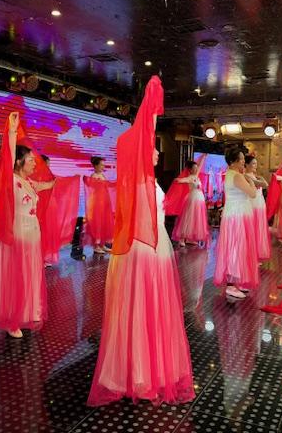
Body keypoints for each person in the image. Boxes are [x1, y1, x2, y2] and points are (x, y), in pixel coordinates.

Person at [88, 76, 194, 406]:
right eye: (153, 149)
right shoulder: (136, 184)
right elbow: (142, 136)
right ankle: (139, 372)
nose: (158, 153)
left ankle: (148, 367)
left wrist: (152, 113)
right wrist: (149, 112)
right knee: (141, 309)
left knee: (151, 311)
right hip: (141, 252)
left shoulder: (147, 182)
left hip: (155, 250)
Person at [0, 112, 55, 338]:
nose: (34, 163)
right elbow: (7, 156)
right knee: (15, 275)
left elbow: (46, 186)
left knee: (29, 273)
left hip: (32, 234)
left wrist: (55, 182)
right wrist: (12, 131)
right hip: (17, 234)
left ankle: (28, 310)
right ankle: (12, 318)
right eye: (31, 160)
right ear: (19, 161)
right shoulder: (10, 180)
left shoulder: (28, 181)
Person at [213, 147, 259, 300]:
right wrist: (251, 181)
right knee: (236, 248)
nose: (244, 161)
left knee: (237, 247)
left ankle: (236, 281)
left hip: (235, 214)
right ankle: (231, 285)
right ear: (234, 161)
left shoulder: (231, 174)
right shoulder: (237, 176)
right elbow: (253, 193)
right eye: (242, 159)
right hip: (237, 216)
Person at [166, 159, 210, 248]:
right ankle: (182, 239)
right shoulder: (190, 178)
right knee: (188, 218)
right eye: (194, 168)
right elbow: (183, 180)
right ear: (190, 170)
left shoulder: (196, 176)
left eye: (196, 168)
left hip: (199, 201)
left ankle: (191, 238)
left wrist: (204, 157)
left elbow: (200, 166)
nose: (196, 169)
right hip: (192, 200)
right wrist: (178, 180)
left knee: (195, 219)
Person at [83, 156, 115, 254]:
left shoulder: (102, 175)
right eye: (101, 165)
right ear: (96, 166)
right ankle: (96, 246)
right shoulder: (94, 176)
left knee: (104, 223)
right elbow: (92, 188)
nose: (103, 167)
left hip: (104, 202)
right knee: (98, 224)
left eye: (103, 165)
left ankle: (102, 244)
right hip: (97, 203)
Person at [244, 155, 270, 261]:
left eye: (256, 163)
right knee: (253, 229)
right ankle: (250, 255)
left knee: (258, 229)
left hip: (259, 205)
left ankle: (255, 254)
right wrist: (262, 179)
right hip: (252, 205)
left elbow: (264, 185)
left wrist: (261, 178)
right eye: (253, 163)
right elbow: (265, 185)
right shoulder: (246, 176)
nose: (256, 165)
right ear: (246, 165)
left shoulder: (254, 176)